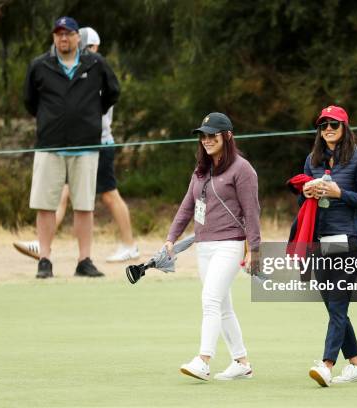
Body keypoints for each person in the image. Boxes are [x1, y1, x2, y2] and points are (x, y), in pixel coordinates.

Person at [14, 27, 138, 264]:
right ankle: (42, 244)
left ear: (93, 47)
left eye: (87, 47)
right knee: (63, 196)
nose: (84, 52)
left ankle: (129, 244)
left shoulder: (96, 69)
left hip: (98, 143)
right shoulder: (78, 68)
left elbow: (108, 98)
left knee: (109, 195)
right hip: (74, 145)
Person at [165, 112, 260, 381]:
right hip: (204, 246)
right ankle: (241, 362)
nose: (206, 140)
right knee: (222, 306)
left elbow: (252, 212)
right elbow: (187, 205)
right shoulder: (201, 169)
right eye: (203, 136)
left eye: (212, 135)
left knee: (210, 300)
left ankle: (203, 360)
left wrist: (255, 248)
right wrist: (171, 238)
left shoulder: (242, 169)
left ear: (227, 136)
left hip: (230, 245)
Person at [298, 105, 357, 387]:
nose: (328, 129)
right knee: (333, 305)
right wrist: (306, 192)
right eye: (323, 125)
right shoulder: (312, 160)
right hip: (320, 241)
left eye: (334, 124)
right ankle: (356, 365)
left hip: (348, 240)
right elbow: (301, 203)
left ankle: (327, 364)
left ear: (345, 127)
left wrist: (339, 192)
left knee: (338, 302)